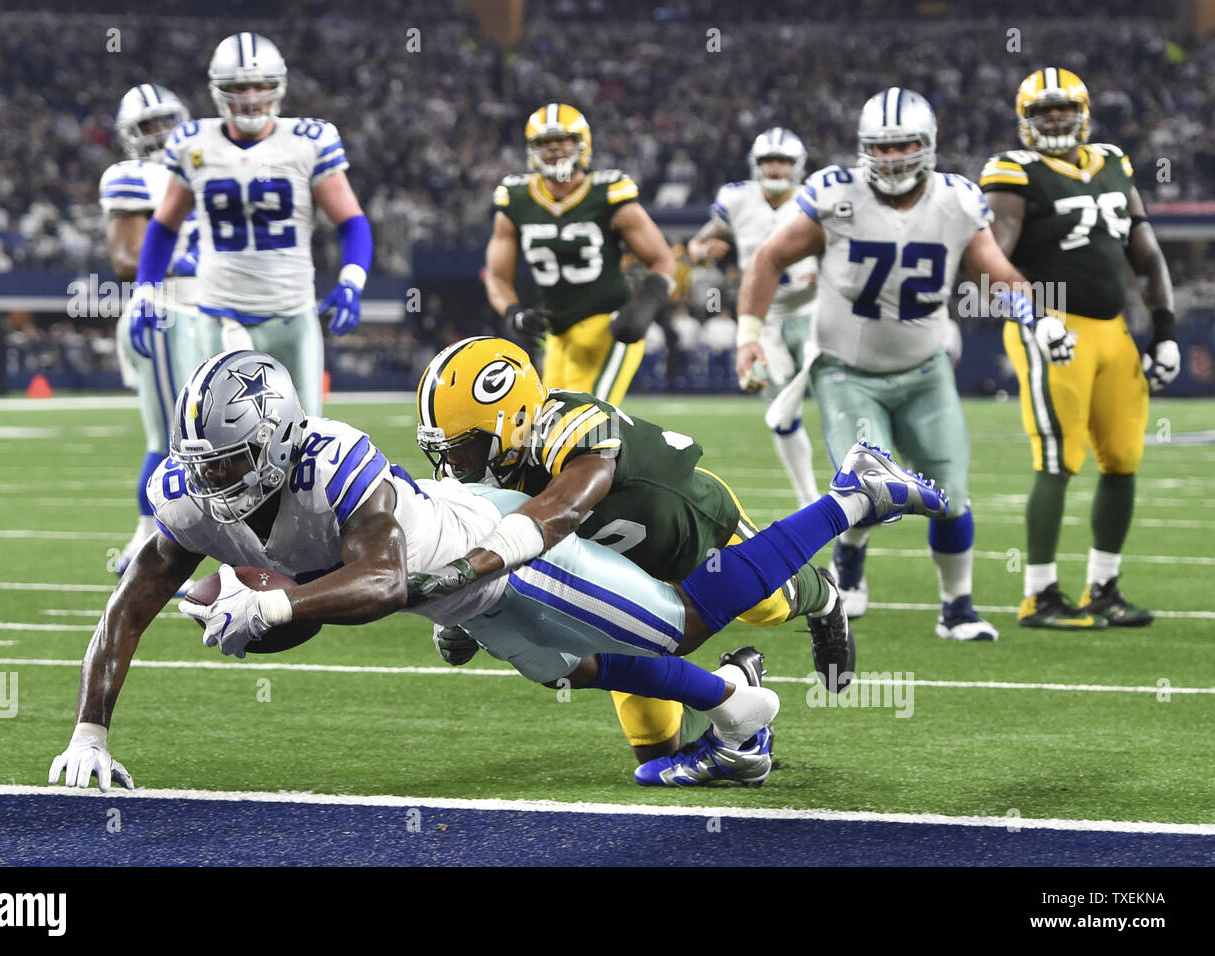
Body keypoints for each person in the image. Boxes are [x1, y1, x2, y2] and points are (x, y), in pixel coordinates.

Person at [47, 351, 946, 793]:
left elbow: (389, 577)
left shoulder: (339, 460)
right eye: (207, 463)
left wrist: (285, 608)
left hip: (549, 549)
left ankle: (854, 500)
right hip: (480, 576)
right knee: (567, 669)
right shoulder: (199, 497)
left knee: (688, 620)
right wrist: (91, 731)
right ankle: (741, 710)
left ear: (281, 442)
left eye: (235, 463)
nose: (217, 482)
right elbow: (127, 607)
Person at [415, 336, 849, 784]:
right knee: (661, 745)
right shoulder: (486, 476)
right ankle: (737, 687)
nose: (452, 465)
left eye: (464, 449)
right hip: (620, 578)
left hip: (689, 532)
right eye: (444, 451)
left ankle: (824, 596)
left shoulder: (568, 422)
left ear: (518, 420)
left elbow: (562, 505)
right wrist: (458, 615)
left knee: (772, 604)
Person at [736, 87, 1077, 642]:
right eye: (882, 147)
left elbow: (994, 271)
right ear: (864, 148)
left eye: (905, 145)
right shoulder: (834, 193)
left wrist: (1039, 318)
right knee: (866, 491)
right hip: (846, 370)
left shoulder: (958, 201)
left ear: (929, 146)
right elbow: (770, 257)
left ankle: (957, 608)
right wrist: (749, 335)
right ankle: (850, 558)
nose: (893, 158)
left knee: (950, 495)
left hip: (924, 369)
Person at [980, 67, 1177, 628]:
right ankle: (1039, 594)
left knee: (1123, 458)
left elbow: (1148, 252)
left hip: (1111, 329)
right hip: (1051, 325)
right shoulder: (1014, 171)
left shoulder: (1113, 161)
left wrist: (1164, 330)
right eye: (1043, 112)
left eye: (1064, 108)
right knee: (1058, 459)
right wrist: (1035, 317)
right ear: (1025, 121)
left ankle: (1104, 588)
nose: (1056, 119)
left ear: (1084, 112)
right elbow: (993, 263)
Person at [129, 31, 371, 418]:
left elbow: (351, 221)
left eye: (261, 84)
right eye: (240, 86)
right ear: (218, 90)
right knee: (211, 436)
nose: (252, 95)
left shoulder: (309, 140)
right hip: (218, 313)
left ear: (279, 87)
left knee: (305, 438)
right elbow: (164, 226)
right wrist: (145, 291)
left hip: (291, 311)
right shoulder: (194, 142)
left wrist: (351, 281)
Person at [484, 103, 676, 406]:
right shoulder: (516, 199)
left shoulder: (608, 193)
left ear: (581, 145)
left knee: (586, 424)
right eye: (544, 143)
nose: (554, 150)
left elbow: (663, 259)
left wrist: (643, 306)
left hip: (607, 328)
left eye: (563, 141)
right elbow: (496, 275)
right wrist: (513, 312)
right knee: (546, 427)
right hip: (557, 334)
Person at [688, 127, 822, 508]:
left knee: (827, 376)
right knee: (780, 415)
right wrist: (702, 251)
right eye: (768, 161)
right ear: (756, 164)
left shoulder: (816, 197)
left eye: (783, 161)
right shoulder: (737, 198)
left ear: (797, 166)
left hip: (813, 307)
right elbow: (697, 243)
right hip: (762, 315)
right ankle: (807, 494)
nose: (775, 168)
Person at [100, 83, 201, 578]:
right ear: (130, 136)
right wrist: (190, 260)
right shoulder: (131, 176)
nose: (161, 133)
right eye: (149, 125)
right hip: (161, 310)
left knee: (202, 433)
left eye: (167, 121)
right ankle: (151, 544)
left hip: (204, 311)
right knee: (173, 437)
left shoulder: (207, 161)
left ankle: (148, 544)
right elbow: (124, 260)